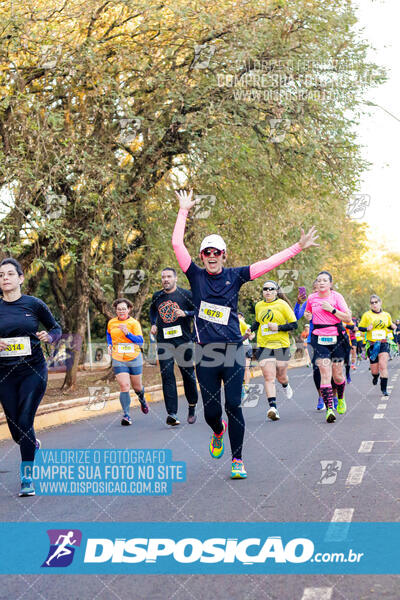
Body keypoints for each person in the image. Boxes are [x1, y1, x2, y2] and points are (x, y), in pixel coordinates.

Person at [172, 189, 318, 478]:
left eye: (217, 252)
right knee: (212, 412)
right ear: (202, 256)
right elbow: (177, 243)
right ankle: (218, 432)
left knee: (234, 405)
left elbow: (268, 263)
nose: (212, 256)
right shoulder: (195, 275)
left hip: (234, 349)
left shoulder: (236, 275)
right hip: (205, 352)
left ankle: (237, 459)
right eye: (207, 253)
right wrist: (183, 211)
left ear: (224, 255)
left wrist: (296, 248)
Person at [0, 257, 62, 497]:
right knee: (16, 429)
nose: (5, 278)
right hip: (4, 374)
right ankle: (32, 444)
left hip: (33, 370)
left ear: (20, 278)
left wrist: (50, 337)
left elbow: (56, 328)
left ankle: (27, 477)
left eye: (9, 274)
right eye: (1, 275)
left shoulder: (34, 304)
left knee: (25, 421)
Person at [150, 267, 198, 425]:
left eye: (169, 276)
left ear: (175, 279)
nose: (165, 279)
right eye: (163, 277)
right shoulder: (157, 296)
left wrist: (186, 313)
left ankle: (192, 406)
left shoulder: (186, 294)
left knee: (188, 375)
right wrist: (153, 323)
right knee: (167, 376)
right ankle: (172, 414)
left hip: (183, 341)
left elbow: (198, 311)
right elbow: (153, 311)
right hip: (164, 342)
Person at [304, 271, 352, 423]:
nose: (321, 283)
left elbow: (348, 318)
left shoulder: (336, 297)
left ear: (330, 284)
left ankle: (341, 397)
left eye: (325, 280)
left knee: (337, 375)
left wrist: (332, 309)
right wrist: (307, 315)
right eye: (319, 281)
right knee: (325, 373)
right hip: (319, 337)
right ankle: (329, 409)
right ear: (316, 284)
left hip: (336, 336)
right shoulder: (311, 298)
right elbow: (308, 312)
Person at [251, 281, 297, 421]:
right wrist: (250, 330)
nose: (268, 291)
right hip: (264, 345)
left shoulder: (283, 305)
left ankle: (285, 384)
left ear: (276, 291)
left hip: (281, 345)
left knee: (281, 375)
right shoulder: (259, 305)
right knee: (269, 377)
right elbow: (258, 322)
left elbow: (294, 324)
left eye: (271, 289)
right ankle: (273, 408)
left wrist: (278, 327)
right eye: (265, 289)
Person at [106, 298, 148, 425]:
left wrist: (127, 333)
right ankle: (126, 415)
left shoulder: (134, 323)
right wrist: (109, 344)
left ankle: (142, 400)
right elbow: (109, 334)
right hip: (118, 358)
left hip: (134, 358)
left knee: (137, 387)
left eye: (124, 309)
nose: (121, 311)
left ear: (129, 309)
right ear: (116, 310)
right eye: (119, 309)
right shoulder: (111, 322)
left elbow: (140, 341)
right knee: (124, 386)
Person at [358, 295, 396, 397]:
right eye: (372, 303)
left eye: (376, 302)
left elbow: (388, 325)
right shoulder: (367, 315)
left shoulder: (386, 315)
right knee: (374, 370)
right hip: (372, 345)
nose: (374, 304)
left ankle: (384, 389)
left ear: (380, 302)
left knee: (383, 366)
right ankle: (375, 376)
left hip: (383, 343)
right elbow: (360, 327)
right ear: (370, 305)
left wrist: (392, 326)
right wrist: (367, 329)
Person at [238, 311, 254, 400]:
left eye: (241, 317)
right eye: (238, 317)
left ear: (243, 318)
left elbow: (251, 336)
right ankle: (241, 386)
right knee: (240, 368)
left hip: (246, 347)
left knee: (246, 367)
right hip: (237, 347)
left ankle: (247, 386)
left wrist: (251, 334)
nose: (239, 319)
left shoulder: (247, 326)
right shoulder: (235, 325)